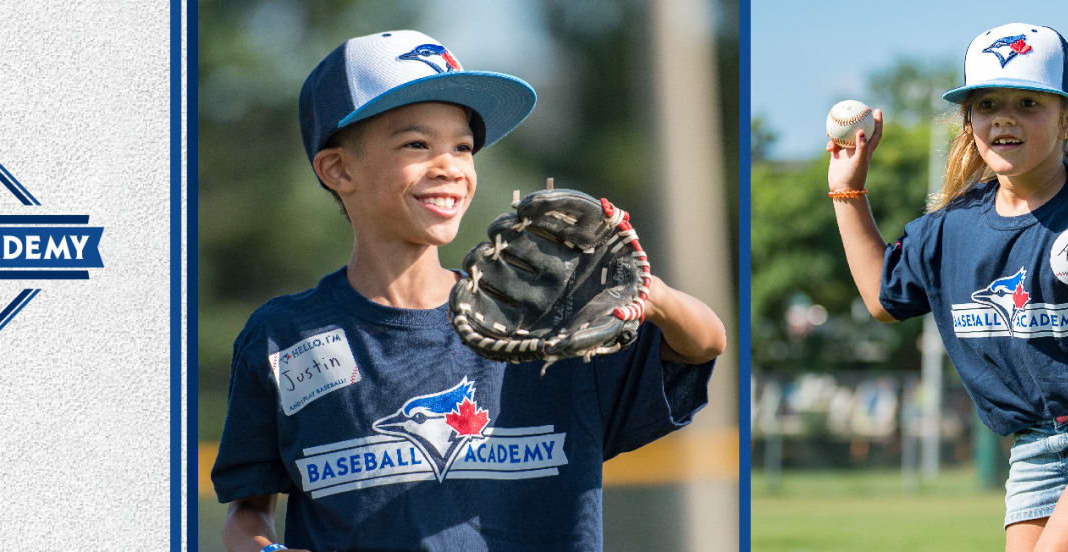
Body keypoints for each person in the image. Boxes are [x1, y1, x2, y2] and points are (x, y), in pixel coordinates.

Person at [208, 30, 726, 552]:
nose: (450, 167)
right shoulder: (284, 337)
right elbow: (247, 511)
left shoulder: (539, 320)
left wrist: (646, 292)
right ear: (338, 168)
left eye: (462, 146)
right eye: (417, 144)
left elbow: (705, 342)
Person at [827, 22, 1068, 551]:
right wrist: (849, 191)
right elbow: (884, 299)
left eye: (1027, 103)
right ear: (969, 120)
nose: (1003, 117)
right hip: (1034, 445)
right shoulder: (953, 226)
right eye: (987, 103)